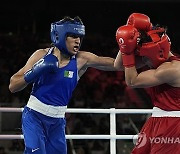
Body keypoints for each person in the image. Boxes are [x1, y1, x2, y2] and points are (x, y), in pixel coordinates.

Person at [9, 16, 123, 154]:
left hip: (57, 121)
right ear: (60, 36)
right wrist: (34, 72)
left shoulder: (82, 59)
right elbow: (13, 86)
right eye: (73, 36)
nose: (78, 41)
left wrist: (125, 46)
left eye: (80, 37)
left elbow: (117, 65)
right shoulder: (41, 55)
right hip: (34, 116)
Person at [116, 13, 180, 154]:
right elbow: (118, 65)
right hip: (156, 119)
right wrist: (125, 42)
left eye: (145, 58)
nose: (143, 62)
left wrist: (127, 53)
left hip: (173, 124)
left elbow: (132, 81)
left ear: (157, 53)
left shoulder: (172, 69)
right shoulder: (159, 59)